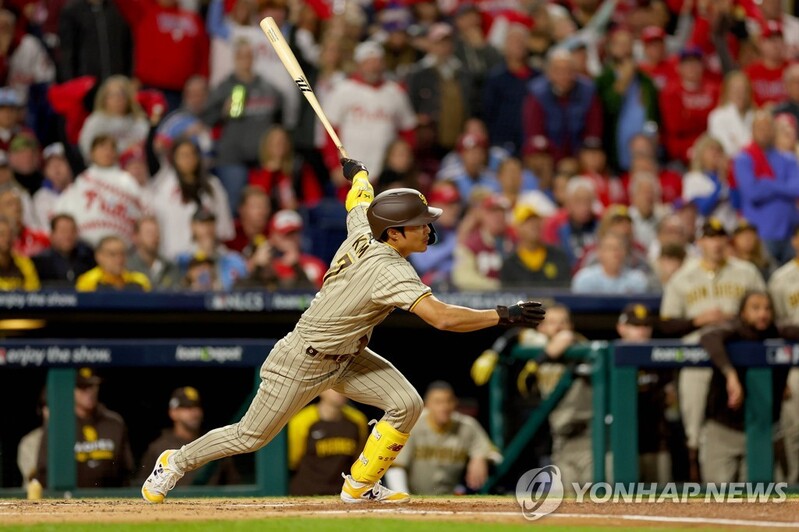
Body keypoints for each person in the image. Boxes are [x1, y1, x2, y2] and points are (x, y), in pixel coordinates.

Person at [141, 157, 545, 504]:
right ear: (395, 233)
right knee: (250, 436)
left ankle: (360, 486)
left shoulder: (365, 228)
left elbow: (360, 201)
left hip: (349, 355)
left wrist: (360, 174)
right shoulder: (388, 267)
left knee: (407, 404)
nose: (427, 229)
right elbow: (441, 318)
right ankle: (174, 462)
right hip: (303, 359)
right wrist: (502, 314)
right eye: (419, 224)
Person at [659, 218, 766, 482]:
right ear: (699, 242)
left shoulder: (746, 271)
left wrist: (739, 319)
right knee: (694, 431)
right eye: (709, 237)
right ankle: (698, 488)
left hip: (741, 358)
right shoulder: (683, 276)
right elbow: (666, 325)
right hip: (698, 360)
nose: (716, 243)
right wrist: (698, 320)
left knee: (756, 420)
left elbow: (765, 310)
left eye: (720, 237)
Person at [698, 291, 799, 483]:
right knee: (717, 501)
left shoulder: (778, 333)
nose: (762, 314)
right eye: (755, 308)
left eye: (767, 308)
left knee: (762, 503)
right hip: (723, 432)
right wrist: (730, 375)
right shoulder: (733, 331)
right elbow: (708, 337)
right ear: (743, 312)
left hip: (761, 434)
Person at [388, 381, 501, 495]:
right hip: (414, 496)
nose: (444, 407)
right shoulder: (412, 424)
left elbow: (496, 455)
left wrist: (480, 456)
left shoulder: (467, 426)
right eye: (438, 402)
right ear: (427, 404)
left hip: (450, 498)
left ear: (455, 403)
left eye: (449, 401)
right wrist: (401, 496)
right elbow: (395, 466)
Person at [36, 368, 135, 488]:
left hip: (110, 498)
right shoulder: (59, 425)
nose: (89, 392)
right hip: (69, 501)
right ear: (71, 389)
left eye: (92, 386)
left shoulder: (114, 423)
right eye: (82, 387)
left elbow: (127, 471)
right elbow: (43, 472)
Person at [54, 134, 144, 248]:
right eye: (102, 147)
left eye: (112, 148)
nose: (107, 151)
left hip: (123, 252)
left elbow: (141, 213)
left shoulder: (128, 181)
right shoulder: (82, 180)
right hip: (85, 250)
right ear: (92, 153)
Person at [138, 387, 239, 487]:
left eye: (196, 407)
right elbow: (144, 487)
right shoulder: (158, 448)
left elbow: (234, 485)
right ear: (173, 412)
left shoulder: (213, 443)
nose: (194, 413)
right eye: (187, 408)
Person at [288, 390, 368, 496]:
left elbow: (359, 459)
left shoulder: (358, 420)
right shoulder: (302, 420)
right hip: (307, 492)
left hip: (343, 493)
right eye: (334, 387)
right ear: (321, 390)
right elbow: (294, 460)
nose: (340, 391)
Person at [768, 224, 799, 483]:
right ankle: (792, 482)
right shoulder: (781, 278)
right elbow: (772, 327)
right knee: (794, 429)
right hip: (794, 363)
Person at [500, 202, 571, 288]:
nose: (534, 225)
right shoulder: (510, 265)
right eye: (527, 222)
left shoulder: (558, 256)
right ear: (517, 229)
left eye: (536, 220)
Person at [31, 214, 95, 287]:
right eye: (63, 231)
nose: (68, 235)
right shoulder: (40, 262)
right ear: (52, 235)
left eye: (72, 231)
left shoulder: (88, 257)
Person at [75, 235, 151, 292]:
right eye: (112, 254)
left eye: (122, 254)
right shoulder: (88, 282)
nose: (119, 259)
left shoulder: (140, 281)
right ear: (99, 256)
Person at [127, 215, 180, 291]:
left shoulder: (170, 267)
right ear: (136, 237)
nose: (154, 236)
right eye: (149, 233)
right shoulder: (127, 267)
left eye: (157, 232)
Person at [17, 388, 47, 490]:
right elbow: (35, 476)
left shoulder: (76, 436)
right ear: (42, 410)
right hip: (37, 501)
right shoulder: (30, 442)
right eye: (49, 407)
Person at [0, 215, 39, 290]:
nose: (6, 238)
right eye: (1, 234)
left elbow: (33, 292)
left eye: (9, 234)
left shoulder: (24, 262)